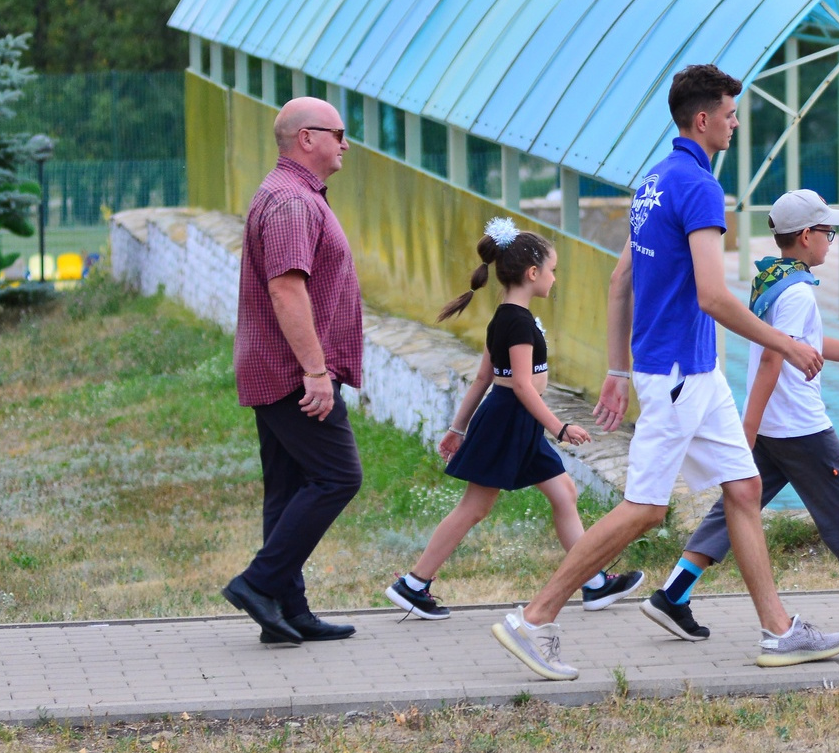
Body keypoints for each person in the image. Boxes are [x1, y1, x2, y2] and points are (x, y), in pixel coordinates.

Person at [487, 64, 839, 681]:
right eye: (731, 115)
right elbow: (712, 295)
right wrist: (786, 343)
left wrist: (617, 370)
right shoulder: (700, 188)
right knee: (646, 509)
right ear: (703, 120)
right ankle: (534, 619)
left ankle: (779, 631)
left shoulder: (653, 181)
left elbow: (621, 278)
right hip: (683, 372)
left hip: (686, 371)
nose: (736, 124)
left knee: (744, 488)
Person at [645, 189, 839, 641]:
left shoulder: (773, 278)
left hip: (771, 427)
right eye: (828, 232)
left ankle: (673, 592)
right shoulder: (798, 289)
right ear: (806, 235)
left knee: (735, 509)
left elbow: (806, 345)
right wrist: (746, 429)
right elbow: (771, 359)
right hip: (800, 426)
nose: (830, 240)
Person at [382, 220, 644, 620]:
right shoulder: (517, 322)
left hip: (518, 423)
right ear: (533, 273)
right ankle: (414, 584)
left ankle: (592, 582)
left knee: (564, 492)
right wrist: (560, 427)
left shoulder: (507, 317)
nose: (555, 278)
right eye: (552, 270)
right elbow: (521, 386)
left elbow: (486, 378)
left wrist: (457, 428)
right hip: (509, 421)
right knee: (474, 508)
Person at [223, 97, 366, 646]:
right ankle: (258, 584)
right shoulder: (290, 202)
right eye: (338, 133)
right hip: (292, 372)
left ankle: (286, 609)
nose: (345, 143)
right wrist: (315, 372)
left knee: (287, 489)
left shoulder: (294, 196)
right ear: (307, 138)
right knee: (337, 477)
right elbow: (286, 289)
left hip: (277, 366)